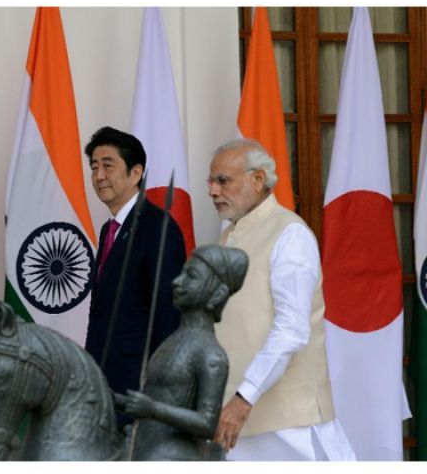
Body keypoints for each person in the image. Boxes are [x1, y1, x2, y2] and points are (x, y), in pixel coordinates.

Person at [208, 138, 356, 461]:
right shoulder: (227, 238)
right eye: (211, 181)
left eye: (223, 181)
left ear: (258, 180)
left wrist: (244, 398)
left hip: (290, 427)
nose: (213, 191)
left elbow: (291, 329)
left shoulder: (290, 234)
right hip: (237, 422)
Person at [83, 126, 186, 427]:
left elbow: (169, 314)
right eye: (94, 167)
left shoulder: (158, 227)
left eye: (108, 165)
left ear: (136, 172)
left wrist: (159, 394)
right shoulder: (109, 230)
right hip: (105, 382)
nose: (99, 175)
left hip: (139, 387)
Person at [116, 244, 248, 461]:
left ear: (217, 294)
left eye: (192, 276)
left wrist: (152, 409)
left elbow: (207, 424)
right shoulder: (172, 341)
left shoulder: (210, 354)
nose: (178, 282)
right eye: (182, 274)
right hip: (143, 446)